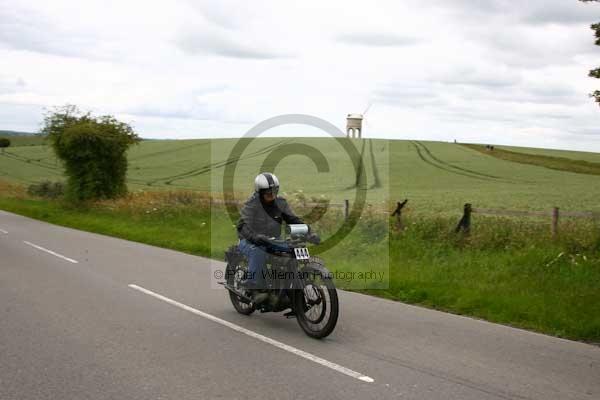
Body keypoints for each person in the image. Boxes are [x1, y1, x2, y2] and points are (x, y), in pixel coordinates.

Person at [236, 172, 305, 304]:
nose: (272, 195)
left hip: (273, 240)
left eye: (274, 192)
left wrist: (308, 231)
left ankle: (283, 290)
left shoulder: (280, 203)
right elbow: (243, 226)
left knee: (291, 252)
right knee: (258, 251)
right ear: (259, 193)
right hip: (250, 241)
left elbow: (293, 219)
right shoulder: (252, 204)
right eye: (268, 193)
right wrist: (255, 237)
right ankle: (255, 288)